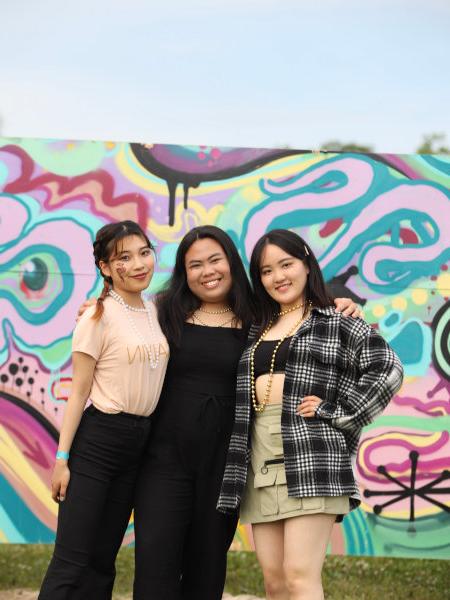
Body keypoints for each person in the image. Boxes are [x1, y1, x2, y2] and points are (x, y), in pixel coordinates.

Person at [76, 224, 360, 600]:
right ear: (183, 272)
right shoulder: (163, 313)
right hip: (164, 464)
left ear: (232, 263)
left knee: (206, 570)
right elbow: (123, 318)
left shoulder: (259, 319)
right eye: (195, 265)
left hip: (226, 469)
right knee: (155, 568)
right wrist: (99, 305)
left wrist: (342, 302)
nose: (207, 271)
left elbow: (305, 313)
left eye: (215, 260)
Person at [217, 229, 404, 600]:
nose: (278, 277)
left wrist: (339, 412)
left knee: (300, 576)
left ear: (305, 263)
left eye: (286, 264)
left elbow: (389, 369)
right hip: (259, 462)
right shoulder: (256, 327)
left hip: (311, 456)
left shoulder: (335, 320)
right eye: (267, 270)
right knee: (274, 582)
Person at [38, 221, 170, 600]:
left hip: (138, 444)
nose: (139, 263)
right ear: (105, 268)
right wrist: (62, 459)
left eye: (144, 253)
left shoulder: (154, 311)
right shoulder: (95, 317)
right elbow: (78, 393)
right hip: (98, 442)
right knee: (72, 560)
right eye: (124, 258)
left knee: (102, 561)